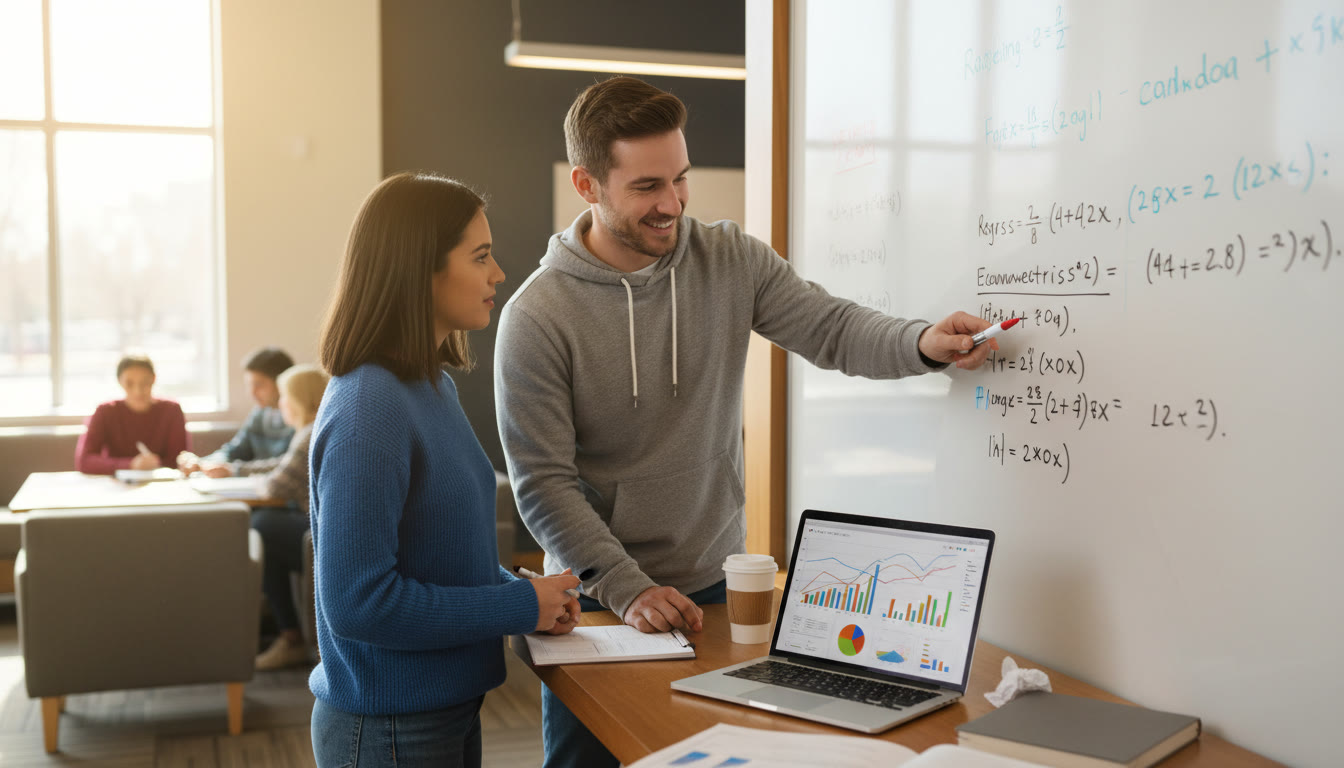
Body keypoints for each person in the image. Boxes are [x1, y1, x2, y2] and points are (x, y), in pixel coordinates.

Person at [493, 76, 998, 768]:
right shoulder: (537, 317)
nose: (671, 204)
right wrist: (630, 589)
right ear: (587, 184)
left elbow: (832, 327)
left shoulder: (728, 258)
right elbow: (543, 486)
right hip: (600, 601)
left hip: (715, 586)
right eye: (646, 188)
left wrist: (920, 342)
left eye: (680, 179)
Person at [307, 172, 581, 768]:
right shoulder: (368, 408)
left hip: (444, 711)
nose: (498, 275)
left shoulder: (432, 386)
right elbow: (360, 603)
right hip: (389, 729)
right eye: (480, 257)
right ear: (419, 270)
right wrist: (518, 608)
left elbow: (441, 562)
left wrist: (526, 593)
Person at [247, 363, 329, 671]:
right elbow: (280, 465)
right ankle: (289, 635)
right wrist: (236, 471)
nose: (280, 404)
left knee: (263, 526)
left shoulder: (310, 434)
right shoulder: (309, 431)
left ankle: (290, 637)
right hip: (314, 527)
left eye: (284, 397)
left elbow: (276, 484)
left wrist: (247, 478)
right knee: (265, 526)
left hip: (321, 533)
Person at [177, 347, 295, 477]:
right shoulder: (260, 413)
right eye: (250, 385)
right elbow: (233, 451)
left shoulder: (300, 418)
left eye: (259, 385)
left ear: (282, 383)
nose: (252, 393)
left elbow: (289, 465)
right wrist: (201, 463)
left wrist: (233, 470)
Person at [75, 354, 189, 475]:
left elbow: (180, 460)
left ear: (153, 379)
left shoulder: (172, 410)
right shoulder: (105, 411)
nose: (138, 391)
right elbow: (85, 461)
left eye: (145, 382)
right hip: (115, 487)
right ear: (120, 382)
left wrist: (157, 464)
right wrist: (131, 464)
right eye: (130, 383)